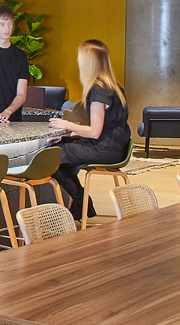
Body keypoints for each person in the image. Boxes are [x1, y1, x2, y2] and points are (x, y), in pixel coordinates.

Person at [48, 40, 131, 218]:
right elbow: (106, 127)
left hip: (104, 149)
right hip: (117, 147)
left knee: (52, 156)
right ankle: (82, 205)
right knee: (63, 147)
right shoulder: (115, 86)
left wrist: (66, 125)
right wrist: (71, 134)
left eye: (80, 57)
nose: (78, 61)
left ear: (89, 62)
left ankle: (82, 200)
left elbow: (95, 132)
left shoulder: (98, 90)